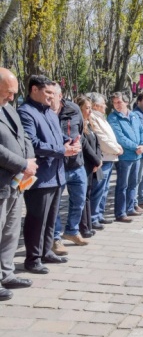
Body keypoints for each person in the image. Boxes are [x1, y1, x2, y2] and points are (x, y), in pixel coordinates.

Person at [19, 75, 79, 274]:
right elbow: (33, 144)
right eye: (48, 93)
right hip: (40, 175)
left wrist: (70, 142)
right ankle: (33, 258)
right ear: (34, 90)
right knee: (37, 218)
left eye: (54, 93)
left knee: (51, 217)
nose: (52, 97)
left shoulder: (51, 113)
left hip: (57, 173)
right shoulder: (26, 112)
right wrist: (62, 151)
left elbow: (58, 136)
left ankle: (46, 251)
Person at [0, 68, 36, 299]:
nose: (11, 97)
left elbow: (24, 137)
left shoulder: (10, 110)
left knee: (11, 231)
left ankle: (6, 273)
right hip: (2, 181)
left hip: (17, 182)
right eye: (7, 92)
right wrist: (22, 163)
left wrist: (29, 161)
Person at [51, 83, 90, 248]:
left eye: (52, 95)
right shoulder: (43, 112)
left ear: (60, 96)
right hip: (56, 165)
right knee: (56, 204)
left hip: (77, 164)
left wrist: (77, 144)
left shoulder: (73, 109)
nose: (48, 98)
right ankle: (55, 237)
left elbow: (80, 130)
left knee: (79, 199)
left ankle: (72, 231)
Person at [107, 92, 143, 223]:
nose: (117, 105)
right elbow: (120, 137)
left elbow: (142, 131)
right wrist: (136, 146)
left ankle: (130, 207)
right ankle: (120, 212)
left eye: (119, 102)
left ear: (126, 102)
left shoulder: (134, 115)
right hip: (125, 156)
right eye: (115, 102)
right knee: (122, 185)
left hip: (137, 155)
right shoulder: (113, 118)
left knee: (133, 183)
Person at [88, 93, 123, 229]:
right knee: (98, 189)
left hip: (110, 156)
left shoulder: (101, 117)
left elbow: (109, 136)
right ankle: (93, 216)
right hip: (103, 157)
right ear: (96, 105)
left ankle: (99, 214)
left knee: (104, 188)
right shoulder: (93, 118)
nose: (105, 106)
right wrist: (116, 149)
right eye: (103, 103)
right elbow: (102, 138)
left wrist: (116, 147)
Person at [76, 96, 103, 238]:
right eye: (87, 108)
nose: (89, 111)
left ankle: (88, 225)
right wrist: (95, 160)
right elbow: (85, 147)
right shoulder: (79, 124)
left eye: (90, 108)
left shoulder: (90, 124)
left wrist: (98, 159)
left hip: (93, 163)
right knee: (83, 196)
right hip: (86, 164)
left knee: (88, 195)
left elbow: (96, 143)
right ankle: (83, 226)